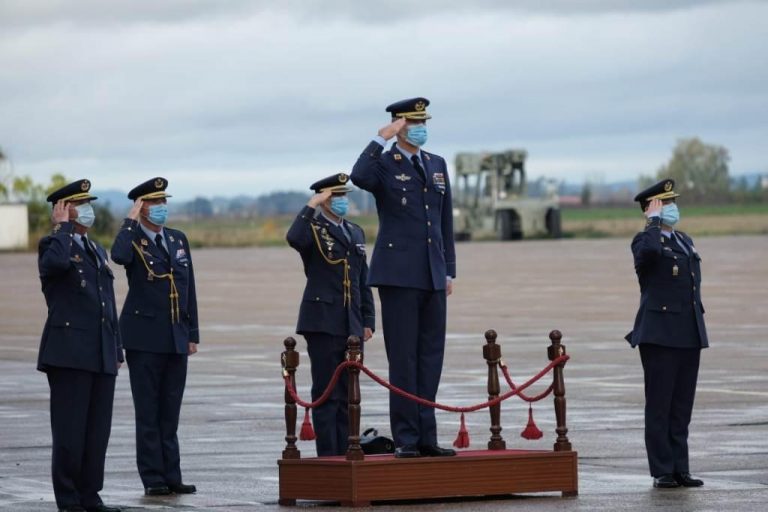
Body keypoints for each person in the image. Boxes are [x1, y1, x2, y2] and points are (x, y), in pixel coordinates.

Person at [350, 97, 457, 458]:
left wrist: (449, 270)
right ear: (399, 125)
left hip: (432, 273)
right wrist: (381, 138)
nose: (421, 127)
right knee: (404, 359)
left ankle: (428, 436)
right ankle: (407, 438)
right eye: (413, 122)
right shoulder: (383, 163)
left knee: (430, 357)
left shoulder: (436, 164)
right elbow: (359, 177)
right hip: (398, 275)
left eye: (424, 121)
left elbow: (444, 224)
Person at [37, 179, 122, 512]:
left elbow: (107, 303)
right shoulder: (52, 246)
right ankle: (69, 499)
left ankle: (90, 495)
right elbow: (54, 267)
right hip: (69, 353)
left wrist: (116, 348)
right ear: (63, 209)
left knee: (96, 433)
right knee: (70, 434)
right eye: (79, 204)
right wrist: (59, 230)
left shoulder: (95, 249)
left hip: (100, 351)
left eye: (89, 203)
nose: (88, 210)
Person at [110, 177, 199, 496]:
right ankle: (153, 477)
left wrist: (192, 333)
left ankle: (172, 474)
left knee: (170, 412)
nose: (162, 208)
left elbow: (189, 290)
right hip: (144, 338)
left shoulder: (177, 239)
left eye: (164, 202)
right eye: (154, 203)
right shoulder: (132, 240)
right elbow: (117, 257)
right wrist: (130, 221)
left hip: (176, 336)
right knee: (148, 411)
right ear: (141, 206)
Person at [626, 178, 708, 489]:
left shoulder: (684, 240)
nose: (673, 207)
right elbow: (648, 257)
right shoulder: (645, 241)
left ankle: (680, 468)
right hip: (659, 334)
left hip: (688, 331)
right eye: (666, 203)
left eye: (673, 202)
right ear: (651, 209)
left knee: (681, 406)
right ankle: (662, 470)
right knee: (660, 405)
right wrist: (653, 223)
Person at [286, 173, 375, 456]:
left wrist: (368, 320)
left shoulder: (355, 231)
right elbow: (293, 237)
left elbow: (363, 280)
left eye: (343, 196)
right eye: (335, 197)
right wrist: (311, 204)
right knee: (327, 391)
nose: (341, 201)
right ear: (323, 199)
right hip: (323, 320)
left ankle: (348, 451)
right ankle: (330, 456)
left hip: (352, 322)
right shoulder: (312, 229)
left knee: (349, 394)